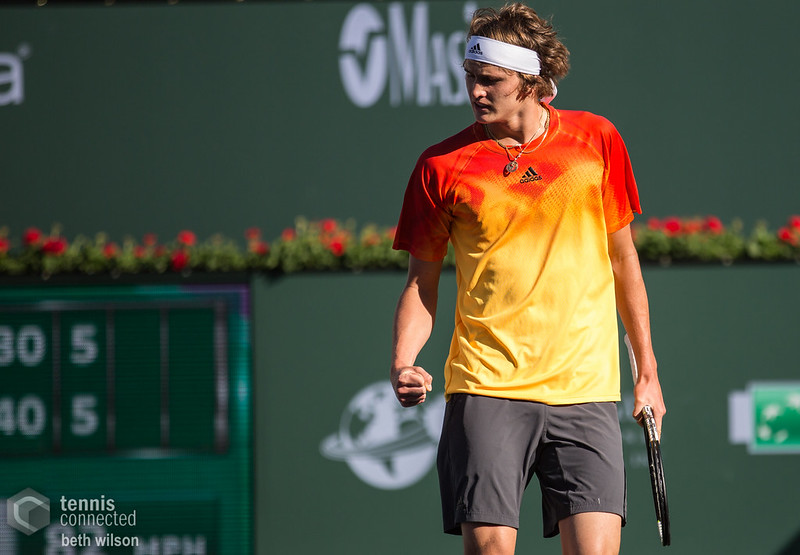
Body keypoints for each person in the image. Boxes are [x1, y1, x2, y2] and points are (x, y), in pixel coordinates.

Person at [389, 3, 665, 554]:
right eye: (470, 78)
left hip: (584, 389)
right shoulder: (440, 166)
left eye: (490, 80)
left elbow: (623, 260)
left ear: (532, 82)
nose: (476, 92)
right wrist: (403, 360)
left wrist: (648, 373)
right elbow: (423, 280)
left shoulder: (597, 140)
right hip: (487, 386)